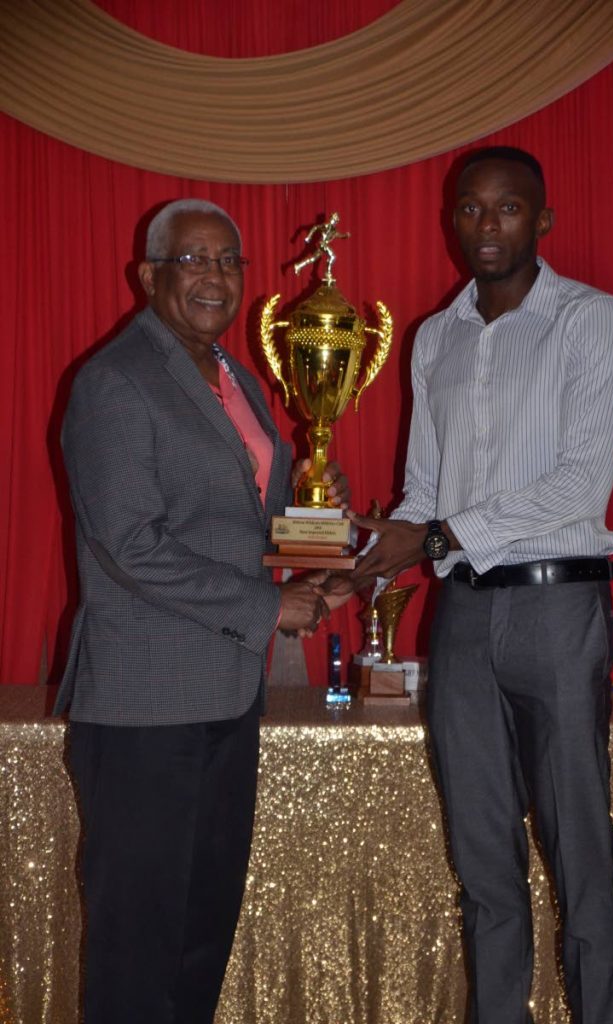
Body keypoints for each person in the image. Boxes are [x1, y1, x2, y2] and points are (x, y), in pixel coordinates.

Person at [348, 147, 613, 1024]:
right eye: (470, 210)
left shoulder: (591, 320)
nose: (487, 225)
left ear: (541, 221)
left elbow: (579, 484)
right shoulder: (433, 337)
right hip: (464, 616)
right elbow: (426, 487)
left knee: (578, 848)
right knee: (482, 860)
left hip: (557, 607)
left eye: (508, 209)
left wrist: (431, 535)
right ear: (452, 222)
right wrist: (364, 564)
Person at [54, 198, 349, 1024]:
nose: (214, 276)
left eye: (228, 260)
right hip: (147, 705)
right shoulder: (116, 381)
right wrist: (269, 608)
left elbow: (245, 521)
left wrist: (326, 538)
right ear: (149, 276)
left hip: (224, 696)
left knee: (199, 935)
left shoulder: (237, 379)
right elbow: (128, 543)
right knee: (137, 948)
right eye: (192, 260)